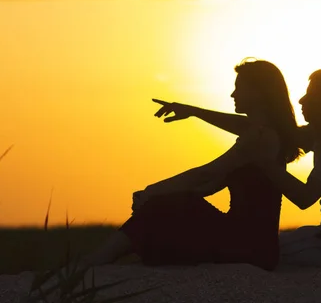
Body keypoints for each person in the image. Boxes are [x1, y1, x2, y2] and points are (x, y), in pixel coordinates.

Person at [79, 59, 303, 271]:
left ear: (260, 93)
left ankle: (98, 259)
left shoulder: (259, 136)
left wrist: (152, 191)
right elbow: (209, 182)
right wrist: (193, 111)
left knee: (167, 204)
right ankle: (106, 257)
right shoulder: (266, 131)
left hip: (248, 248)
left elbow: (206, 174)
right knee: (172, 205)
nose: (233, 94)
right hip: (251, 245)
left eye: (240, 87)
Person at [155, 69, 321, 266]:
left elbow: (304, 198)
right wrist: (195, 112)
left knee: (257, 250)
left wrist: (264, 162)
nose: (301, 100)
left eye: (311, 95)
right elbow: (252, 127)